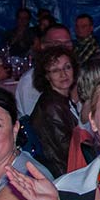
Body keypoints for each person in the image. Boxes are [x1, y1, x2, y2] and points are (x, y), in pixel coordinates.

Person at [29, 46, 79, 177]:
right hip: (62, 174)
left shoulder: (61, 99)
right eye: (56, 70)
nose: (63, 74)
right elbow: (68, 151)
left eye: (67, 67)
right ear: (47, 76)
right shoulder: (52, 106)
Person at [15, 24, 74, 117]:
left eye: (67, 43)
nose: (63, 48)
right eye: (57, 44)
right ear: (43, 46)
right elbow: (33, 120)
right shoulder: (30, 81)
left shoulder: (73, 75)